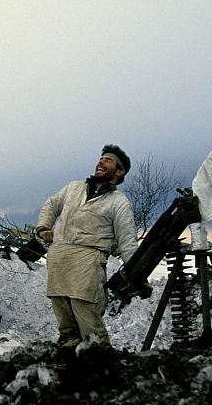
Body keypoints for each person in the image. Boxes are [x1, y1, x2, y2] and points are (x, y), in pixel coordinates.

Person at [35, 144, 138, 347]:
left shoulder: (119, 202)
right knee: (64, 317)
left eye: (108, 160)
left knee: (87, 316)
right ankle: (69, 360)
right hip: (59, 255)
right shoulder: (74, 188)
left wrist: (137, 273)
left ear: (119, 172)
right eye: (101, 158)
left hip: (87, 260)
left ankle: (99, 360)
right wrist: (43, 228)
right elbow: (51, 204)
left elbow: (127, 241)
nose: (101, 162)